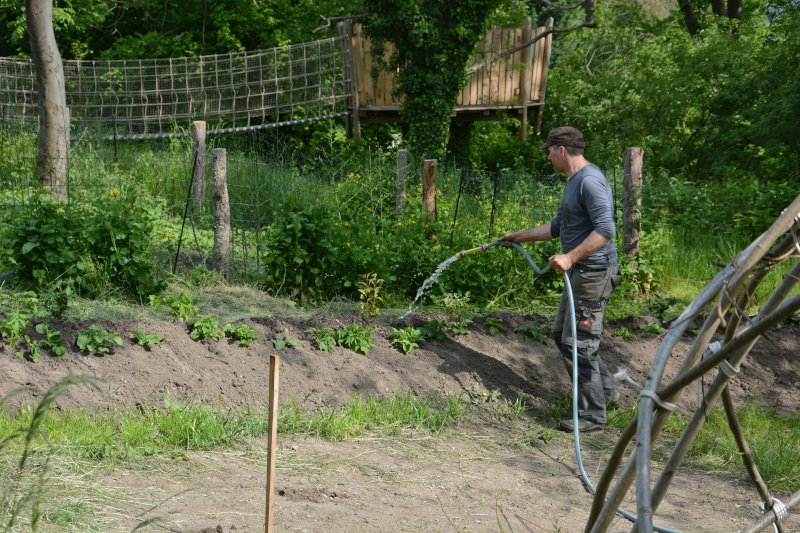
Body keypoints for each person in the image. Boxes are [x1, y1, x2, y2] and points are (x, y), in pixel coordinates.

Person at [499, 126, 621, 432]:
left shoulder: (590, 181)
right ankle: (606, 394)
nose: (548, 158)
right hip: (582, 272)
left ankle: (594, 414)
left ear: (561, 150)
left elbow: (606, 229)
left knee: (578, 344)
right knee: (562, 337)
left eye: (549, 151)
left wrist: (570, 257)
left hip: (594, 272)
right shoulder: (574, 181)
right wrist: (519, 236)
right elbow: (557, 227)